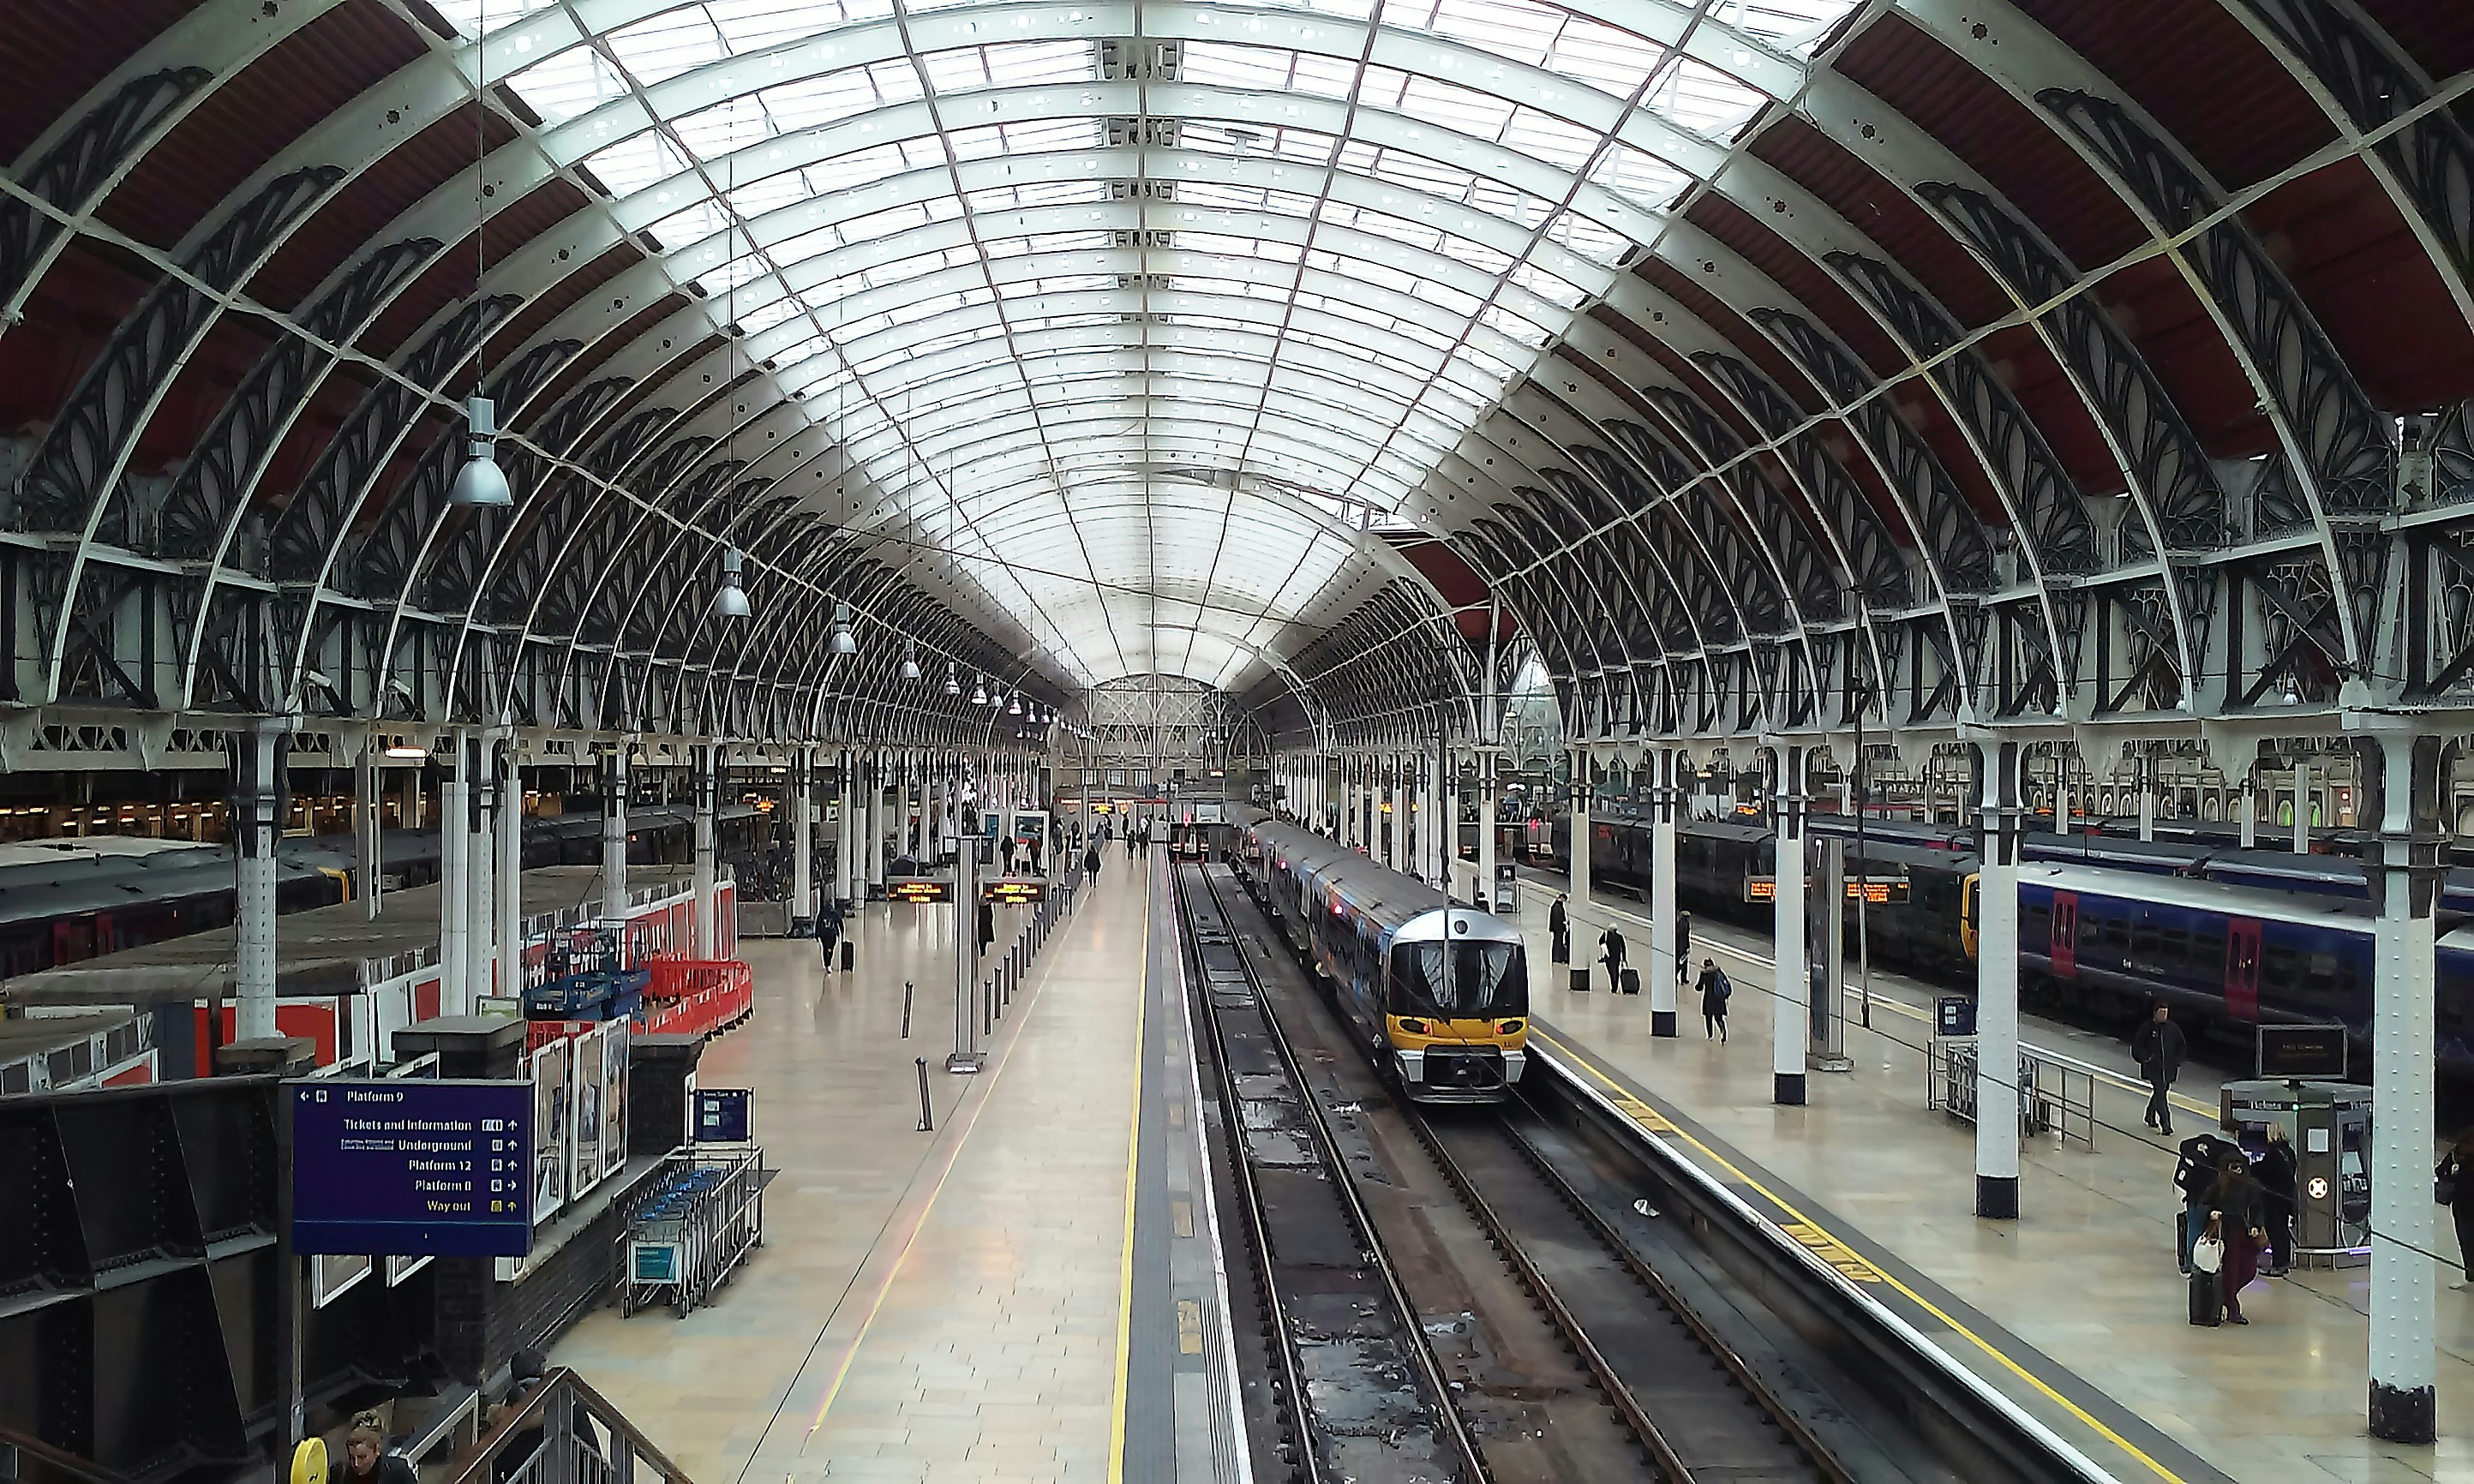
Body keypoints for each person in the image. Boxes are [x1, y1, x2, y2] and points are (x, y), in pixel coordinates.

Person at [2208, 1152, 2268, 1324]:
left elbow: (2258, 1207)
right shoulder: (2219, 1186)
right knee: (2231, 1272)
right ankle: (2232, 1306)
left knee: (2249, 1271)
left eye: (2239, 1166)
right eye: (2233, 1166)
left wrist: (2256, 1225)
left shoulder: (2252, 1186)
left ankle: (2226, 1298)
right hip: (2229, 1234)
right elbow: (2206, 1202)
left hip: (2248, 1235)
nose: (2237, 1170)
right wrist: (2213, 1213)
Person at [2174, 1132, 2233, 1274]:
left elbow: (2180, 1178)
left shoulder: (2189, 1156)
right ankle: (2212, 1263)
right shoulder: (2220, 1157)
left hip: (2194, 1199)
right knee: (2214, 1231)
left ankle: (2190, 1263)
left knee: (2193, 1231)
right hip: (2213, 1200)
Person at [2130, 1003, 2186, 1137]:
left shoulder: (2172, 1029)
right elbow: (2137, 1046)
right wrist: (2146, 1059)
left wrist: (2177, 1061)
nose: (2163, 1016)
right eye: (2161, 1013)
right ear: (2154, 1013)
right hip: (2154, 1068)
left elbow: (2181, 1045)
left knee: (2160, 1092)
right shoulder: (2147, 1028)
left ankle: (2149, 1115)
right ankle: (2166, 1125)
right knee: (2161, 1095)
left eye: (2165, 1013)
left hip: (2168, 1068)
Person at [2258, 1124, 2297, 1275]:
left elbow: (2265, 1172)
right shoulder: (2288, 1151)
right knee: (2283, 1229)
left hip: (2273, 1198)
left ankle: (2278, 1265)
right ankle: (2285, 1262)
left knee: (2275, 1231)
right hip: (2287, 1196)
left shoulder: (2273, 1153)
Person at [332, 1418, 415, 1484]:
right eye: (352, 1457)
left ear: (376, 1450)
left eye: (362, 1457)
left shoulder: (397, 1470)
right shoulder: (339, 1474)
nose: (356, 1464)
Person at [2439, 1133, 2474, 1289]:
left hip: (2462, 1205)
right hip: (2463, 1205)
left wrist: (2454, 1178)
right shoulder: (2457, 1153)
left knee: (2466, 1242)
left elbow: (2440, 1171)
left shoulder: (2457, 1153)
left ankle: (2470, 1276)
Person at [1695, 957, 1731, 1041]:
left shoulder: (1704, 974)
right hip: (1719, 999)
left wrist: (1696, 986)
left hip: (1708, 999)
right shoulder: (1718, 972)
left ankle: (1710, 1036)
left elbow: (1699, 987)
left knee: (1708, 1017)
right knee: (1719, 1018)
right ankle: (1723, 1030)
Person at [1598, 924, 1626, 992]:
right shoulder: (1620, 937)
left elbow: (1600, 942)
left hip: (1609, 958)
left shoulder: (1606, 935)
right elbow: (1623, 948)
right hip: (1617, 958)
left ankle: (1614, 987)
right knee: (1615, 971)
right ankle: (1615, 986)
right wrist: (1624, 959)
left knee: (1611, 972)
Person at [818, 898, 843, 969]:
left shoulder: (822, 913)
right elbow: (840, 924)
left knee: (825, 948)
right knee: (831, 948)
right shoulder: (834, 913)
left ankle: (826, 963)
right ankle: (829, 963)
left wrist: (817, 935)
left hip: (824, 934)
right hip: (832, 934)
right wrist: (842, 934)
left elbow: (818, 923)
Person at [1548, 895, 1569, 963]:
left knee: (1557, 942)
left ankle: (1557, 957)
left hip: (1556, 929)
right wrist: (1564, 924)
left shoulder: (1555, 906)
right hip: (1558, 929)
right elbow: (1559, 919)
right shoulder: (1557, 907)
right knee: (1558, 942)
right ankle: (1557, 957)